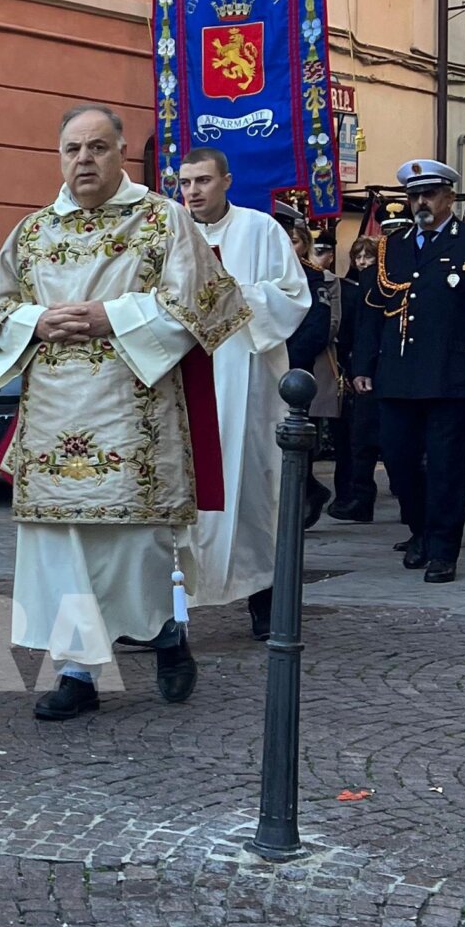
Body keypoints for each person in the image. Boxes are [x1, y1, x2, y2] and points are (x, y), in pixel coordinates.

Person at [0, 104, 246, 721]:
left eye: (96, 148)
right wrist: (36, 319)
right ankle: (76, 672)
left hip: (132, 411)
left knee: (132, 544)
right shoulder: (33, 232)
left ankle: (164, 632)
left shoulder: (163, 221)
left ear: (120, 154)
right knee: (59, 548)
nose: (83, 160)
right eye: (71, 150)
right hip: (52, 419)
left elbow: (209, 304)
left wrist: (110, 316)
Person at [351, 159, 465, 583]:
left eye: (431, 194)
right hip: (398, 374)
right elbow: (373, 312)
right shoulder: (393, 245)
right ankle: (419, 530)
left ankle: (443, 550)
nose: (421, 202)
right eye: (415, 195)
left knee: (444, 466)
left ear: (449, 198)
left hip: (451, 374)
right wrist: (363, 365)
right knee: (400, 463)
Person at [175, 149, 313, 641]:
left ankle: (266, 600)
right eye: (185, 182)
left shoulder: (260, 231)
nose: (193, 191)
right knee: (181, 495)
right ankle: (166, 612)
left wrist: (231, 294)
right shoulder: (169, 233)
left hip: (247, 380)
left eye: (203, 180)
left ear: (227, 181)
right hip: (185, 378)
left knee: (254, 491)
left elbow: (294, 296)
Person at [277, 203, 339, 528]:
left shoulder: (311, 276)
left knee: (295, 446)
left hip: (292, 374)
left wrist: (283, 359)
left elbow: (317, 328)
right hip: (256, 373)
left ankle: (303, 496)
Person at [328, 236, 383, 522]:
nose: (362, 262)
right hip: (354, 368)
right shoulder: (349, 289)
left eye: (368, 257)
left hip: (382, 368)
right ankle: (358, 497)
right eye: (358, 256)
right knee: (355, 440)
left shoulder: (382, 287)